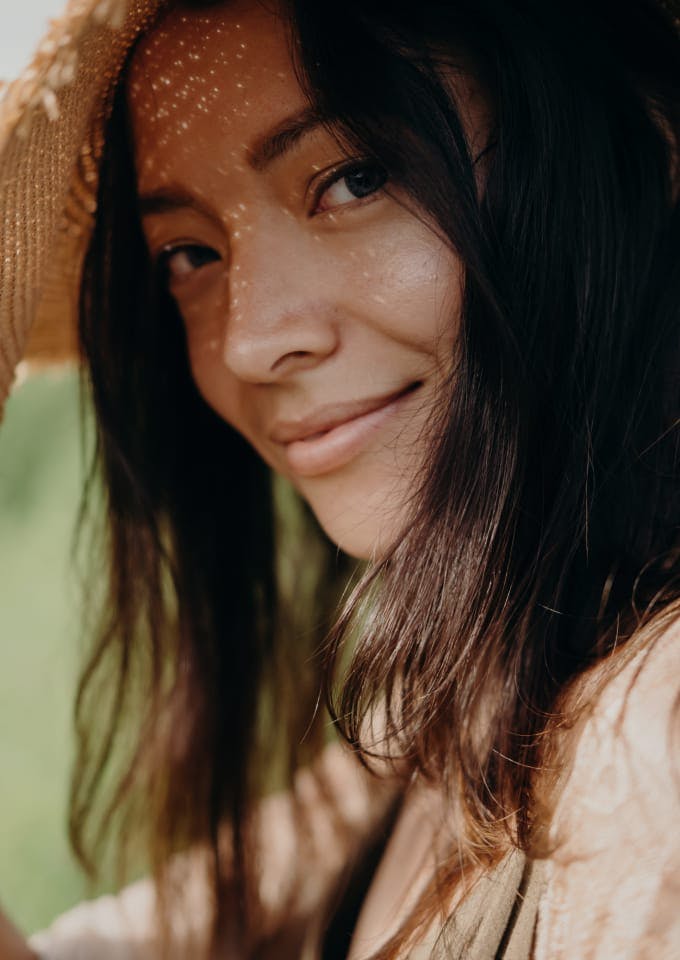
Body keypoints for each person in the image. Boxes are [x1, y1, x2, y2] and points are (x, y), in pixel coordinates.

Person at [0, 0, 679, 957]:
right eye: (190, 253)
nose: (248, 341)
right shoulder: (441, 705)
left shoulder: (651, 734)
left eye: (354, 179)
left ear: (638, 140)